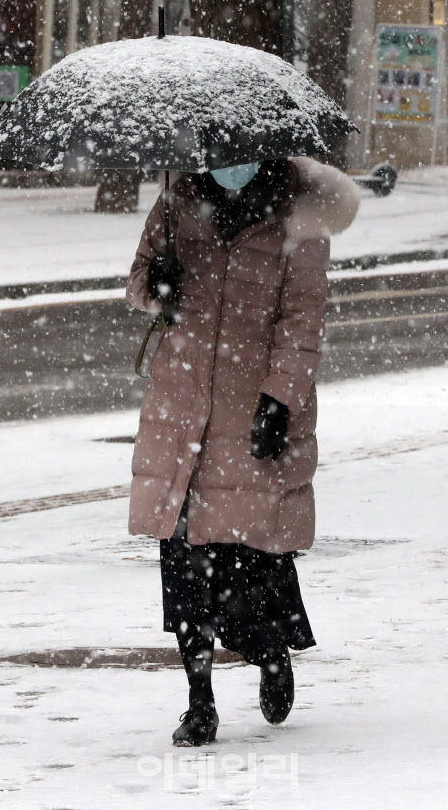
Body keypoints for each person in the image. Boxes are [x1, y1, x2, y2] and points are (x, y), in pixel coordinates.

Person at [126, 155, 360, 746]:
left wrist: (279, 400)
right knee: (183, 569)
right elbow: (137, 282)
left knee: (247, 567)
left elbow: (303, 321)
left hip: (250, 411)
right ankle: (198, 702)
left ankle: (269, 652)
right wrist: (158, 284)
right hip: (181, 411)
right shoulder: (178, 200)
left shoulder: (298, 217)